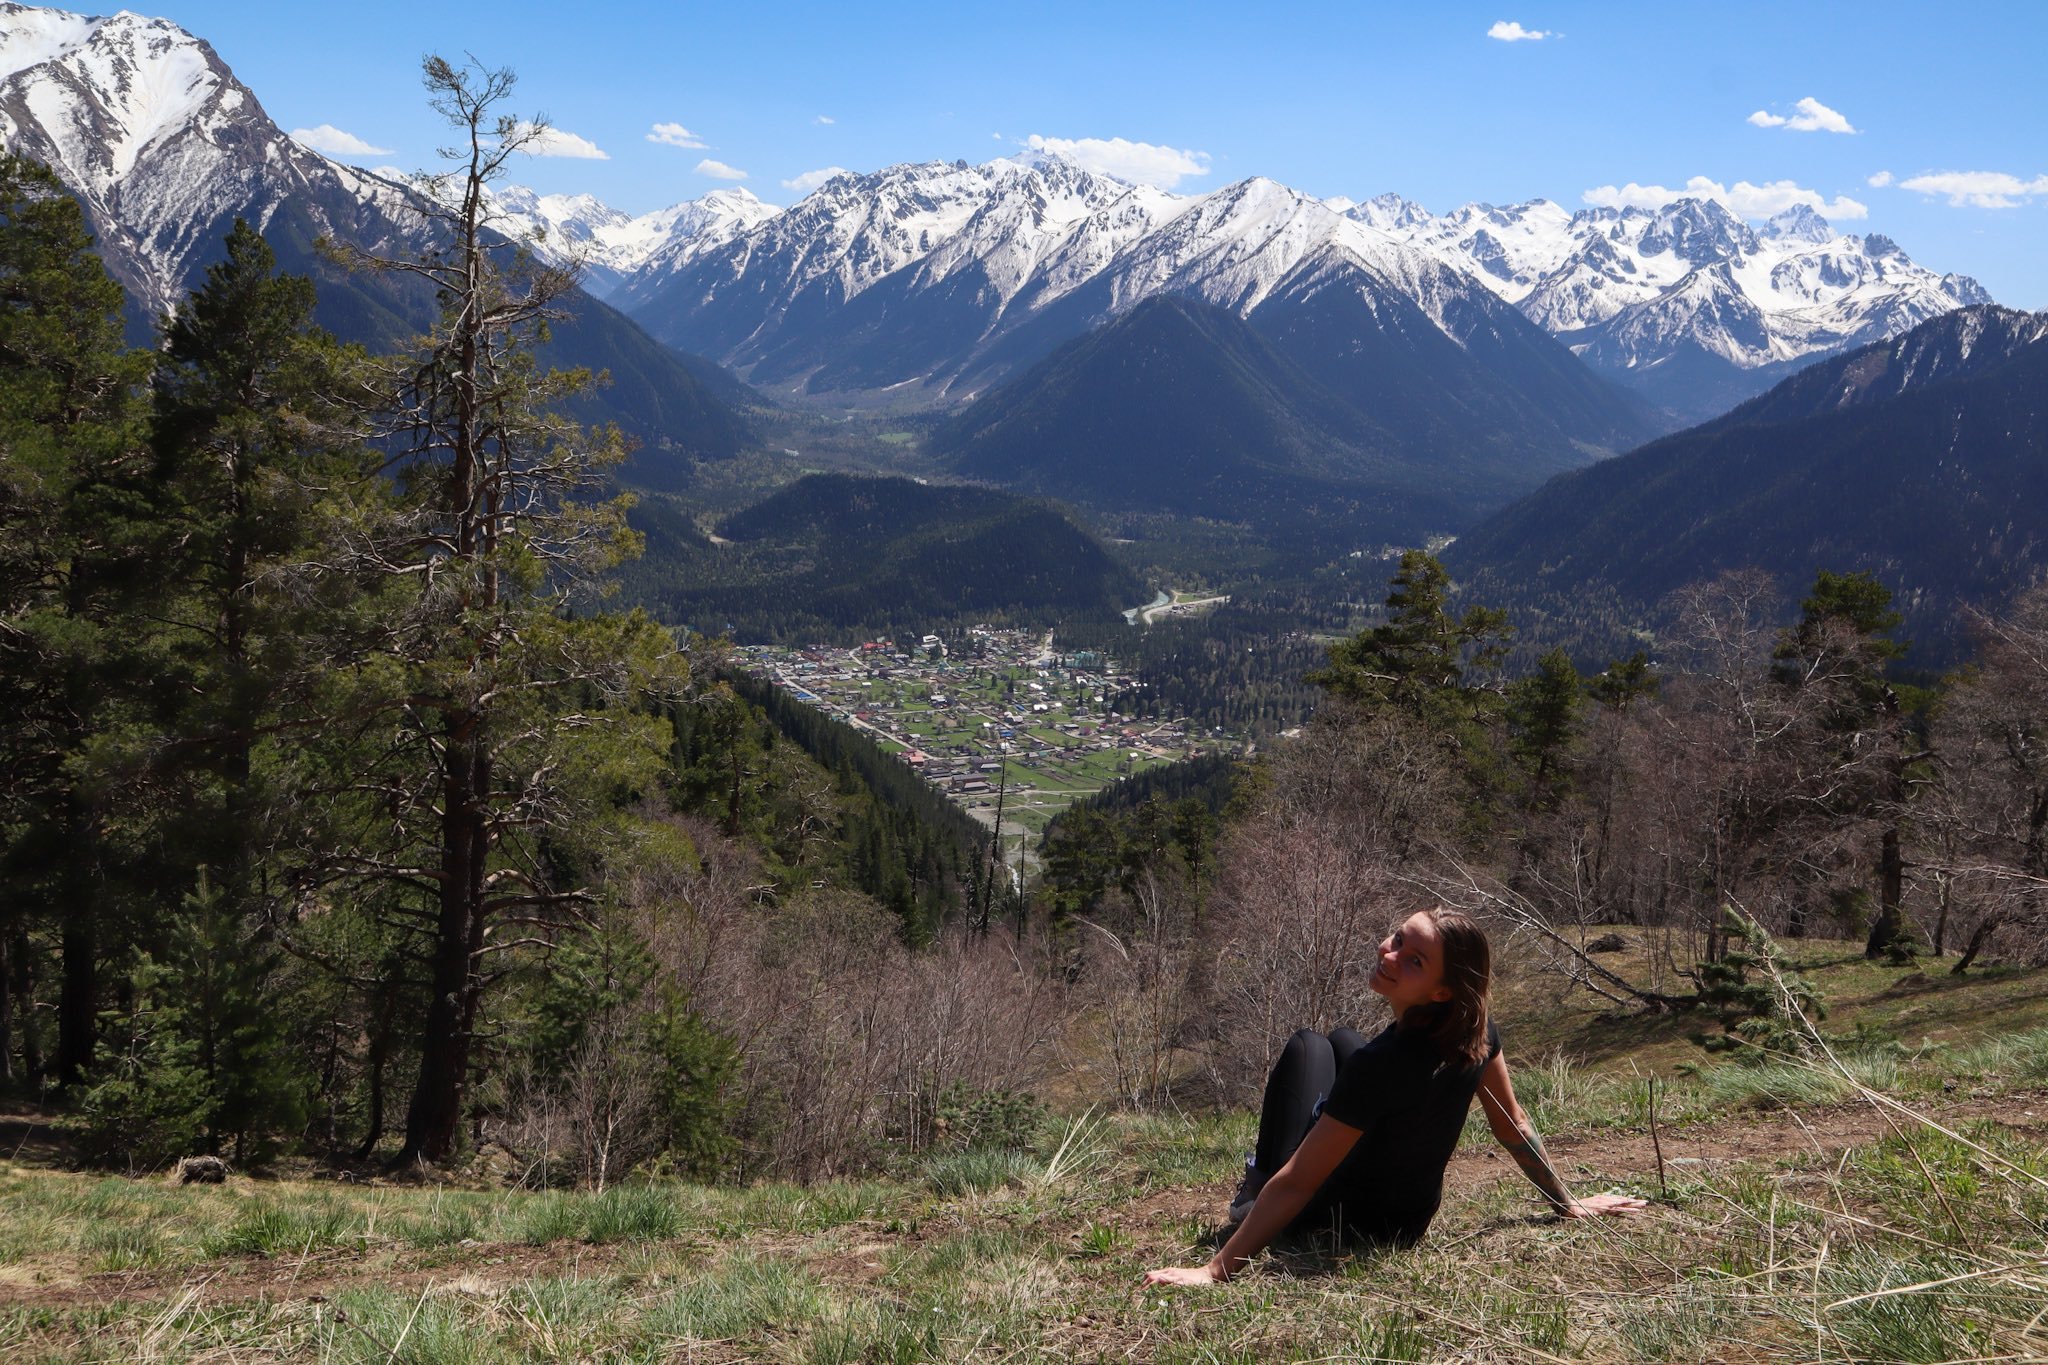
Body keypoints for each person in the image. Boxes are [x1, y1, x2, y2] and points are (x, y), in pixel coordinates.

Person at [1145, 906, 1644, 1286]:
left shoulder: (1379, 1065)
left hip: (1336, 1221)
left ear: (1441, 991)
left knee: (1307, 1046)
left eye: (1414, 961)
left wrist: (1216, 1269)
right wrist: (1568, 1203)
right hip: (1404, 1225)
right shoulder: (1476, 1032)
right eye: (1398, 940)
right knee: (1343, 1037)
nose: (1390, 955)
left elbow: (1299, 1182)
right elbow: (1512, 1123)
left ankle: (1250, 1190)